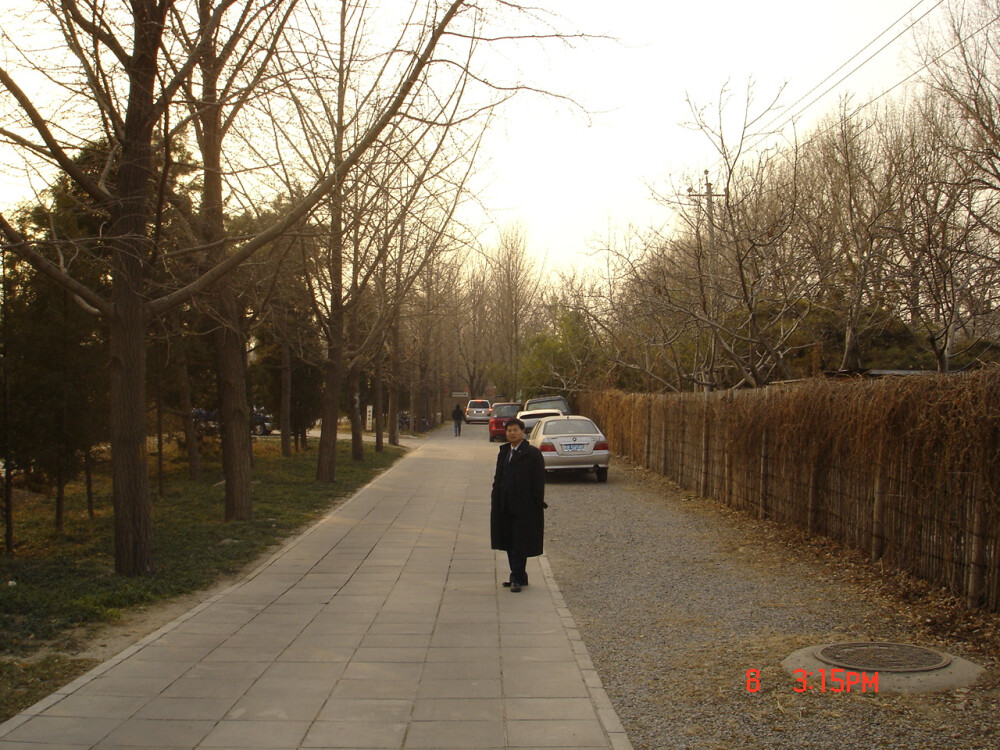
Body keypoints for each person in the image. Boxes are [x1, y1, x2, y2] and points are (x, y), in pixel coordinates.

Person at [490, 418, 546, 592]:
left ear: (523, 432)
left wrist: (536, 502)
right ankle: (520, 575)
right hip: (504, 504)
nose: (512, 433)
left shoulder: (532, 454)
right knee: (508, 540)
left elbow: (538, 481)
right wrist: (496, 497)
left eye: (515, 430)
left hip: (524, 506)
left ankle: (515, 577)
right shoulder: (504, 451)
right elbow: (498, 478)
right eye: (509, 431)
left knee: (519, 541)